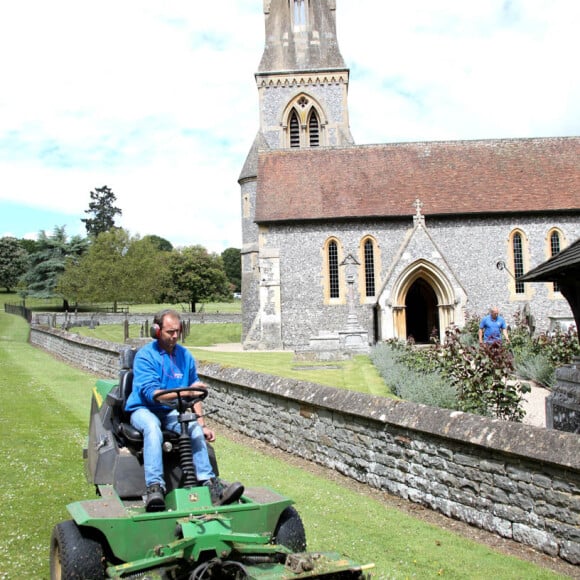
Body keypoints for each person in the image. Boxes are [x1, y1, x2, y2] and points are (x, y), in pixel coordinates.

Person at [125, 309, 244, 512]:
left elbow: (193, 390)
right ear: (156, 331)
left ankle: (209, 485)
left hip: (171, 411)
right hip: (144, 408)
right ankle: (155, 487)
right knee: (152, 428)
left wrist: (201, 423)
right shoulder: (145, 356)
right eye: (170, 332)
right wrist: (189, 390)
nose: (174, 336)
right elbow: (153, 394)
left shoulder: (184, 355)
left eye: (177, 332)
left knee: (194, 428)